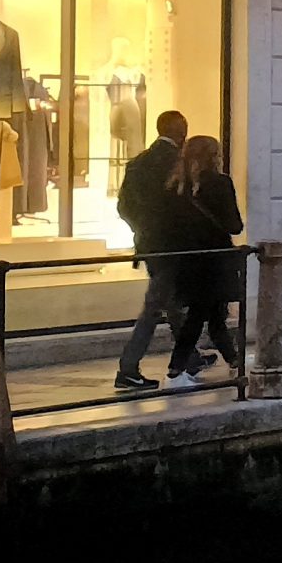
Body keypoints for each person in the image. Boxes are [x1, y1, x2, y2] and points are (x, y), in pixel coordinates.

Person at [155, 134, 242, 388]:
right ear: (214, 157)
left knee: (212, 314)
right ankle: (176, 370)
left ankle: (234, 360)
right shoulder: (220, 183)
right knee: (200, 315)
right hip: (215, 260)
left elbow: (168, 228)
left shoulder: (174, 186)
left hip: (187, 261)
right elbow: (234, 225)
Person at [113, 110, 189, 391]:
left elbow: (123, 206)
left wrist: (142, 229)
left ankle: (190, 356)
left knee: (171, 302)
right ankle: (128, 367)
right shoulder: (178, 163)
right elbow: (183, 207)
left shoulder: (138, 163)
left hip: (149, 243)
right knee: (156, 306)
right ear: (181, 131)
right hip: (174, 245)